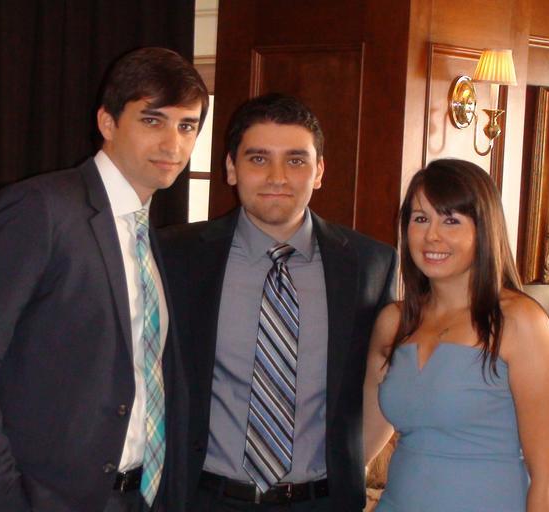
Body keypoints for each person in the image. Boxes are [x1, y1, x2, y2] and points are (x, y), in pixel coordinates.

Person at [0, 47, 208, 512]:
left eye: (187, 126)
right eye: (152, 121)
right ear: (107, 123)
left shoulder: (149, 235)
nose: (172, 145)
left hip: (141, 497)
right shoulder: (40, 210)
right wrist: (3, 503)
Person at [159, 93, 398, 511]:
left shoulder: (370, 265)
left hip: (320, 502)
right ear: (231, 168)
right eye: (258, 159)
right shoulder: (175, 256)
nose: (277, 177)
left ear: (318, 171)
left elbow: (382, 384)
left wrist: (348, 467)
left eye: (296, 160)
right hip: (204, 499)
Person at [363, 158, 549, 511]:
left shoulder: (519, 322)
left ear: (484, 230)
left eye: (451, 221)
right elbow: (362, 446)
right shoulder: (393, 322)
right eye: (420, 219)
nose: (432, 235)